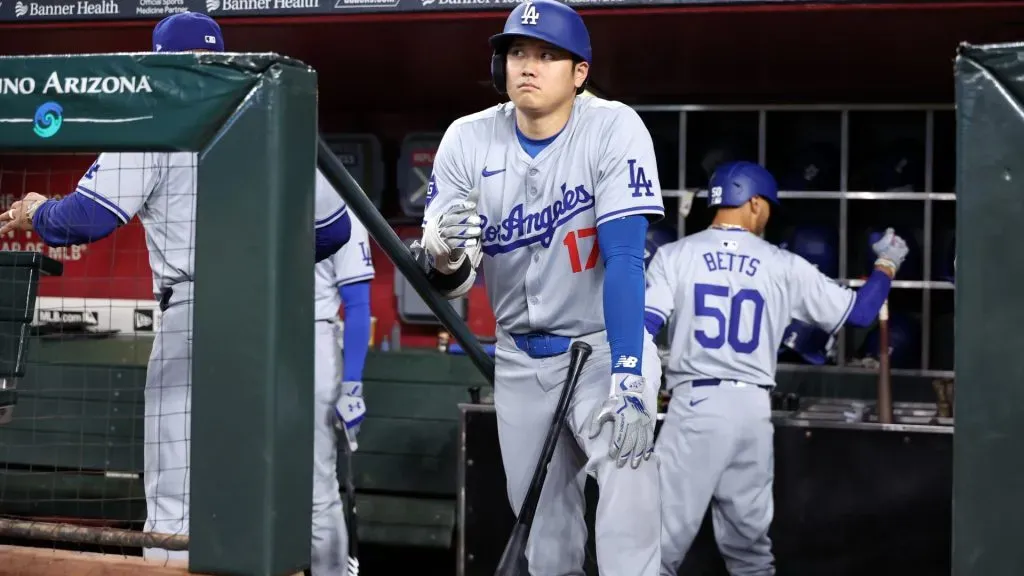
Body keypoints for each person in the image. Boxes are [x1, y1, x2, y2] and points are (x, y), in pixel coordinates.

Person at [0, 12, 353, 563]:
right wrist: (263, 259)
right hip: (269, 323)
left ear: (163, 62)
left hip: (198, 316)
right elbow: (333, 230)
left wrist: (37, 211)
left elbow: (84, 220)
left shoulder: (154, 114)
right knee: (253, 489)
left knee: (175, 501)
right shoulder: (266, 118)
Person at [415, 1, 665, 573]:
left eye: (548, 55)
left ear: (579, 73)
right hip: (521, 358)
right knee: (547, 539)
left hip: (603, 347)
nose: (528, 65)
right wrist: (443, 252)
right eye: (518, 52)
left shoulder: (613, 127)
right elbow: (452, 284)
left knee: (628, 508)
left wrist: (629, 371)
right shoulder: (467, 139)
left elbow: (626, 257)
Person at [643, 160, 909, 576]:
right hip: (752, 411)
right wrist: (887, 264)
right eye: (766, 205)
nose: (768, 214)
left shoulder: (675, 256)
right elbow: (861, 314)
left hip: (697, 405)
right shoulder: (782, 264)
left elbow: (644, 326)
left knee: (654, 548)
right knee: (750, 553)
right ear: (752, 201)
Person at [310, 212, 374, 575]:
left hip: (314, 337)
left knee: (317, 486)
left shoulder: (340, 208)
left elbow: (358, 303)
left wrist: (352, 384)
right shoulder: (259, 194)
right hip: (257, 335)